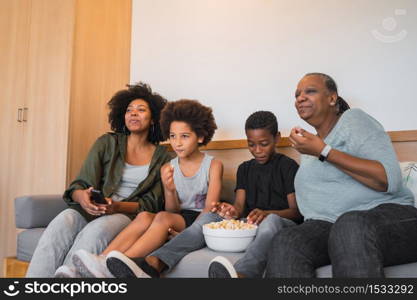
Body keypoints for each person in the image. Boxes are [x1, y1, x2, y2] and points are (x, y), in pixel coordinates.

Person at [105, 110, 302, 278]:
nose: (257, 150)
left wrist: (268, 214)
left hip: (277, 224)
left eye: (264, 143)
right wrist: (230, 210)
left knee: (271, 222)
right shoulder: (245, 169)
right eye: (251, 144)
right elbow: (240, 208)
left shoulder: (287, 167)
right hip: (247, 227)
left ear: (276, 138)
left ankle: (241, 274)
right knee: (209, 216)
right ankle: (154, 263)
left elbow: (295, 212)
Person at [265, 73, 417, 278]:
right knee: (286, 240)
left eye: (310, 91)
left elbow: (388, 179)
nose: (300, 98)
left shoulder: (353, 120)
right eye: (297, 94)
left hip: (389, 218)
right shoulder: (309, 147)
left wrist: (325, 152)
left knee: (350, 225)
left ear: (332, 98)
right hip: (330, 226)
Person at [26, 83, 171, 277]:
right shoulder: (107, 143)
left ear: (153, 118)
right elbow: (80, 184)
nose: (133, 114)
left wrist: (116, 207)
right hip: (91, 208)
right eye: (129, 110)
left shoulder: (164, 157)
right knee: (63, 220)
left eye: (141, 110)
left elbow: (152, 204)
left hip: (124, 215)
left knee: (98, 229)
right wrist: (82, 197)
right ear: (122, 115)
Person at [71, 99, 223, 277]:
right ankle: (102, 259)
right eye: (173, 136)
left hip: (201, 219)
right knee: (144, 216)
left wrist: (187, 235)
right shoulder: (168, 167)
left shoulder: (213, 165)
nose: (177, 143)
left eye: (185, 136)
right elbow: (173, 209)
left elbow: (209, 208)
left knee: (162, 218)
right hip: (178, 217)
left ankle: (121, 263)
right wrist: (170, 189)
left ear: (201, 137)